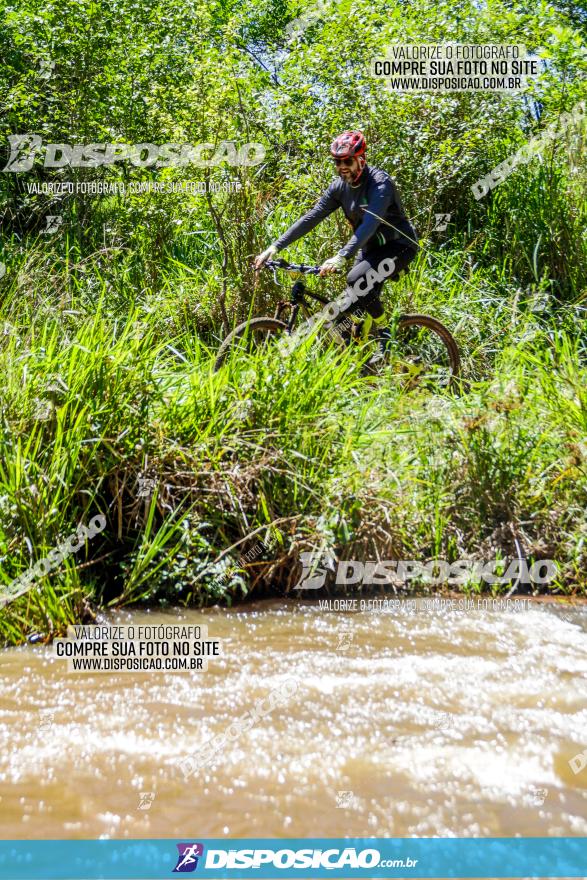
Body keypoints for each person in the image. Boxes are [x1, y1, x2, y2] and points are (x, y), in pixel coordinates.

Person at [254, 130, 419, 357]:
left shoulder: (380, 185)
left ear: (361, 159)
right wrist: (274, 247)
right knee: (346, 310)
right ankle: (365, 366)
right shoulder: (339, 188)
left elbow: (369, 224)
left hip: (400, 247)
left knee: (356, 278)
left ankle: (385, 328)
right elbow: (312, 217)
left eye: (347, 161)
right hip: (370, 250)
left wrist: (342, 255)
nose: (342, 166)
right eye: (337, 161)